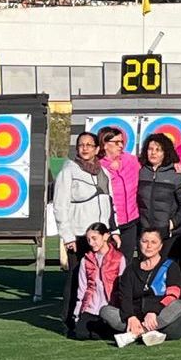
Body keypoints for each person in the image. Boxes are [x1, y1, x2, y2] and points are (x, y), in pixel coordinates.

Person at [54, 132, 114, 324]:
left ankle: (93, 317)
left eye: (89, 145)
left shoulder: (104, 173)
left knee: (99, 278)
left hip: (101, 238)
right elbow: (60, 205)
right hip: (79, 236)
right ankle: (69, 320)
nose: (85, 148)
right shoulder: (68, 171)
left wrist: (114, 231)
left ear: (97, 149)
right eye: (81, 145)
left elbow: (110, 204)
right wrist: (67, 236)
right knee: (76, 278)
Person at [104, 228, 181, 346]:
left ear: (160, 246)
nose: (149, 246)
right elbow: (125, 298)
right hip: (136, 318)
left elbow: (173, 295)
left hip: (160, 319)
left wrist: (153, 311)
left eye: (153, 242)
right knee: (105, 311)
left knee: (178, 305)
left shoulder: (171, 266)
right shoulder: (130, 269)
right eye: (145, 241)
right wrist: (130, 317)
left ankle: (137, 333)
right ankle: (141, 332)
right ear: (139, 243)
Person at [65, 223, 124, 341]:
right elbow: (82, 288)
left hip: (110, 308)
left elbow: (123, 286)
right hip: (91, 308)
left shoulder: (119, 258)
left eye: (94, 238)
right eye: (88, 240)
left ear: (105, 236)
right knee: (80, 334)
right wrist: (77, 313)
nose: (91, 243)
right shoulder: (86, 260)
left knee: (108, 329)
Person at [136, 134, 181, 259]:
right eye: (150, 149)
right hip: (145, 231)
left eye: (158, 150)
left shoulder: (174, 175)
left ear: (165, 152)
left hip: (166, 233)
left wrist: (173, 223)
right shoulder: (140, 171)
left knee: (164, 266)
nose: (153, 153)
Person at [99, 127, 143, 254]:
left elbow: (151, 165)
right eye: (116, 142)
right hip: (109, 223)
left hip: (131, 221)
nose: (121, 146)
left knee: (126, 260)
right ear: (105, 144)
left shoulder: (131, 160)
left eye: (122, 142)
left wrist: (174, 162)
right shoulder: (98, 166)